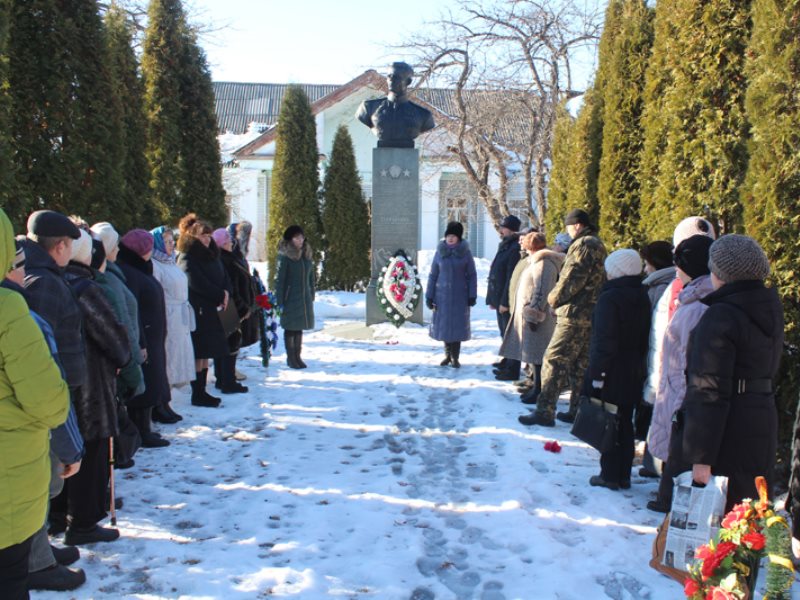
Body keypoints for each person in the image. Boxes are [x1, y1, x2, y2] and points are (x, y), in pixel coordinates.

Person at [3, 237, 85, 592]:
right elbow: (48, 399)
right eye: (18, 266)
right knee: (10, 574)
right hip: (11, 466)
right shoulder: (11, 312)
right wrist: (71, 449)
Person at [678, 235, 783, 511]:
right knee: (751, 510)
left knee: (721, 521)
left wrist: (701, 457)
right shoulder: (769, 308)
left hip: (727, 429)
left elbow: (707, 387)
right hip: (761, 420)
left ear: (721, 273)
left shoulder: (721, 315)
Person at [52, 230, 130, 546]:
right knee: (91, 452)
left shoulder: (50, 282)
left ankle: (57, 517)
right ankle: (82, 523)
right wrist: (123, 357)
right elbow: (114, 338)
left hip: (61, 387)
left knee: (64, 452)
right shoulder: (85, 288)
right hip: (90, 388)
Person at [640, 218, 715, 478]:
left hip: (678, 374)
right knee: (665, 425)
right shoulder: (677, 287)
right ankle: (658, 470)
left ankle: (666, 483)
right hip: (669, 369)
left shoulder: (692, 294)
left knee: (674, 431)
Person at [519, 209, 607, 427]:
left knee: (554, 360)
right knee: (579, 365)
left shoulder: (584, 244)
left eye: (569, 227)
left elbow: (572, 278)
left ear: (576, 225)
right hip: (589, 313)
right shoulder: (596, 243)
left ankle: (545, 411)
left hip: (575, 314)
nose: (567, 232)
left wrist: (553, 299)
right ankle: (576, 410)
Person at [583, 249, 651, 490]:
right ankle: (623, 474)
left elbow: (604, 340)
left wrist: (598, 375)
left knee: (609, 421)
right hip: (634, 368)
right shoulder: (642, 294)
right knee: (625, 422)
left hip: (611, 369)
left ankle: (609, 474)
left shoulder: (610, 297)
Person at [116, 230, 171, 447]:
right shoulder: (130, 271)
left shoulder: (140, 268)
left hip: (153, 336)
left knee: (154, 379)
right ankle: (141, 431)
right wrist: (140, 341)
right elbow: (133, 308)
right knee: (145, 383)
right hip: (144, 336)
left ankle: (146, 427)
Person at [500, 233, 564, 404]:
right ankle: (535, 387)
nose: (522, 245)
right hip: (530, 316)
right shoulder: (535, 261)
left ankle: (539, 390)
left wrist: (533, 313)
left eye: (525, 243)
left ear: (531, 246)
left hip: (538, 319)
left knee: (538, 356)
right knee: (533, 356)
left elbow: (542, 291)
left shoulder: (544, 264)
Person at [177, 214, 231, 401]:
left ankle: (202, 390)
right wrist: (219, 294)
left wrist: (226, 293)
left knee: (206, 352)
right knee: (199, 351)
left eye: (208, 236)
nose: (207, 240)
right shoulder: (187, 257)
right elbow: (196, 282)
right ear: (193, 238)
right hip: (199, 310)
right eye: (203, 236)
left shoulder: (212, 254)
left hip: (212, 309)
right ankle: (197, 392)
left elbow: (224, 276)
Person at [150, 225, 196, 419]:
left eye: (171, 241)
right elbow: (157, 292)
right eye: (167, 242)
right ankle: (160, 404)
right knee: (167, 359)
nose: (170, 245)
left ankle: (166, 402)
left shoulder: (170, 262)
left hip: (179, 316)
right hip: (168, 315)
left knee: (176, 357)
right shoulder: (155, 264)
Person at [425, 222, 477, 368]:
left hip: (460, 296)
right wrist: (429, 296)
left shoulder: (465, 253)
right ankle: (447, 355)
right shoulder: (439, 252)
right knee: (445, 326)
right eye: (448, 235)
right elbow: (432, 275)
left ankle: (455, 357)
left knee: (457, 326)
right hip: (441, 297)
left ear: (459, 237)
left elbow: (472, 275)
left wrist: (472, 295)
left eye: (453, 236)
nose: (450, 238)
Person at [356, 61, 435, 148]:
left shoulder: (423, 115)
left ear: (408, 82)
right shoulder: (369, 108)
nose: (391, 80)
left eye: (396, 77)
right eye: (389, 76)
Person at [213, 227, 251, 393]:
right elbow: (232, 287)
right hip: (230, 307)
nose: (231, 243)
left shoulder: (227, 257)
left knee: (226, 344)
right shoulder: (224, 260)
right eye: (227, 241)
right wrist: (243, 307)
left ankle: (223, 379)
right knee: (231, 343)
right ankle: (227, 381)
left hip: (229, 305)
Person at [275, 225, 315, 369]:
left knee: (299, 328)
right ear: (290, 239)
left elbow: (311, 276)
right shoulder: (285, 256)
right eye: (297, 238)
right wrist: (279, 300)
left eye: (302, 237)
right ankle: (291, 357)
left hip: (303, 296)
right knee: (290, 328)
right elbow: (280, 280)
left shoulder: (306, 254)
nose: (300, 240)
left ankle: (298, 356)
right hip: (290, 297)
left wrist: (312, 292)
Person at [486, 215, 522, 375]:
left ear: (511, 229)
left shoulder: (514, 248)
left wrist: (505, 302)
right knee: (504, 332)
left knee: (510, 334)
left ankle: (512, 367)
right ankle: (507, 360)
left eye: (503, 227)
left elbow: (510, 278)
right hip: (499, 296)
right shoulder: (506, 245)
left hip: (505, 299)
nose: (500, 230)